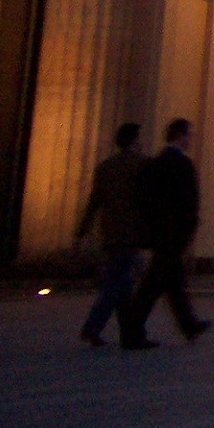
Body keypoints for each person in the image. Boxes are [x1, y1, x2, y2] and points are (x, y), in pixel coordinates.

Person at [121, 118, 211, 349]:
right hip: (174, 235)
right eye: (189, 135)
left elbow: (144, 200)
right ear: (179, 136)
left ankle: (188, 324)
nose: (191, 139)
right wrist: (188, 230)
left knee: (171, 281)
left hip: (160, 233)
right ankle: (131, 332)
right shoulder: (182, 164)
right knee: (152, 286)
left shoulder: (155, 163)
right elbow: (189, 203)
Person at [74, 122, 145, 347]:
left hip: (110, 233)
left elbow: (94, 201)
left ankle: (129, 333)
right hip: (131, 233)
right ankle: (93, 327)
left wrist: (82, 230)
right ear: (134, 140)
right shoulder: (141, 165)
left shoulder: (105, 167)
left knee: (122, 284)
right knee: (117, 284)